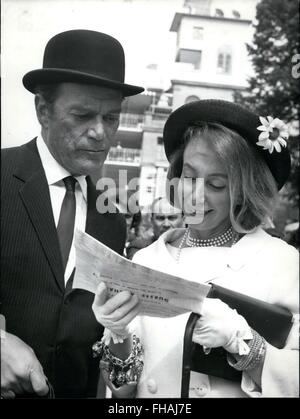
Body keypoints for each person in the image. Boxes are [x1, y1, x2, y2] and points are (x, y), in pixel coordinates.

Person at [92, 100, 299, 398]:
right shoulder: (145, 259)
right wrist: (119, 334)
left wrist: (242, 342)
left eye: (216, 184)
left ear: (244, 192)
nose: (195, 196)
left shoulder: (283, 262)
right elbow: (123, 391)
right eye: (189, 177)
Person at [1, 29, 144, 399]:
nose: (100, 133)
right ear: (42, 110)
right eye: (82, 115)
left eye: (111, 118)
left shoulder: (111, 217)